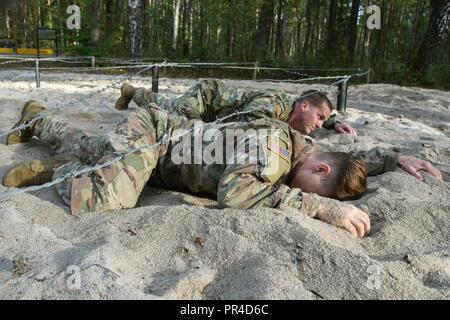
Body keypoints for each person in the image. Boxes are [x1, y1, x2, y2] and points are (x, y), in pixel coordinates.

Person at [3, 101, 442, 238]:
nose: (307, 191)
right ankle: (60, 170)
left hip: (161, 160)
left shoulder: (303, 148)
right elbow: (234, 195)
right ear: (320, 170)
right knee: (104, 200)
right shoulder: (274, 149)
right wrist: (319, 210)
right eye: (317, 189)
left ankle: (39, 120)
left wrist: (393, 158)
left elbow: (352, 156)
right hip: (156, 135)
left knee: (96, 147)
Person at [115, 79, 358, 137]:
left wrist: (333, 123)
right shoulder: (272, 106)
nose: (318, 125)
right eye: (319, 118)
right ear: (304, 106)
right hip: (207, 98)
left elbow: (319, 110)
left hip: (216, 107)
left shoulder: (299, 107)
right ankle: (133, 94)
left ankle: (133, 92)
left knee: (169, 105)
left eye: (321, 121)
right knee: (172, 114)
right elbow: (250, 124)